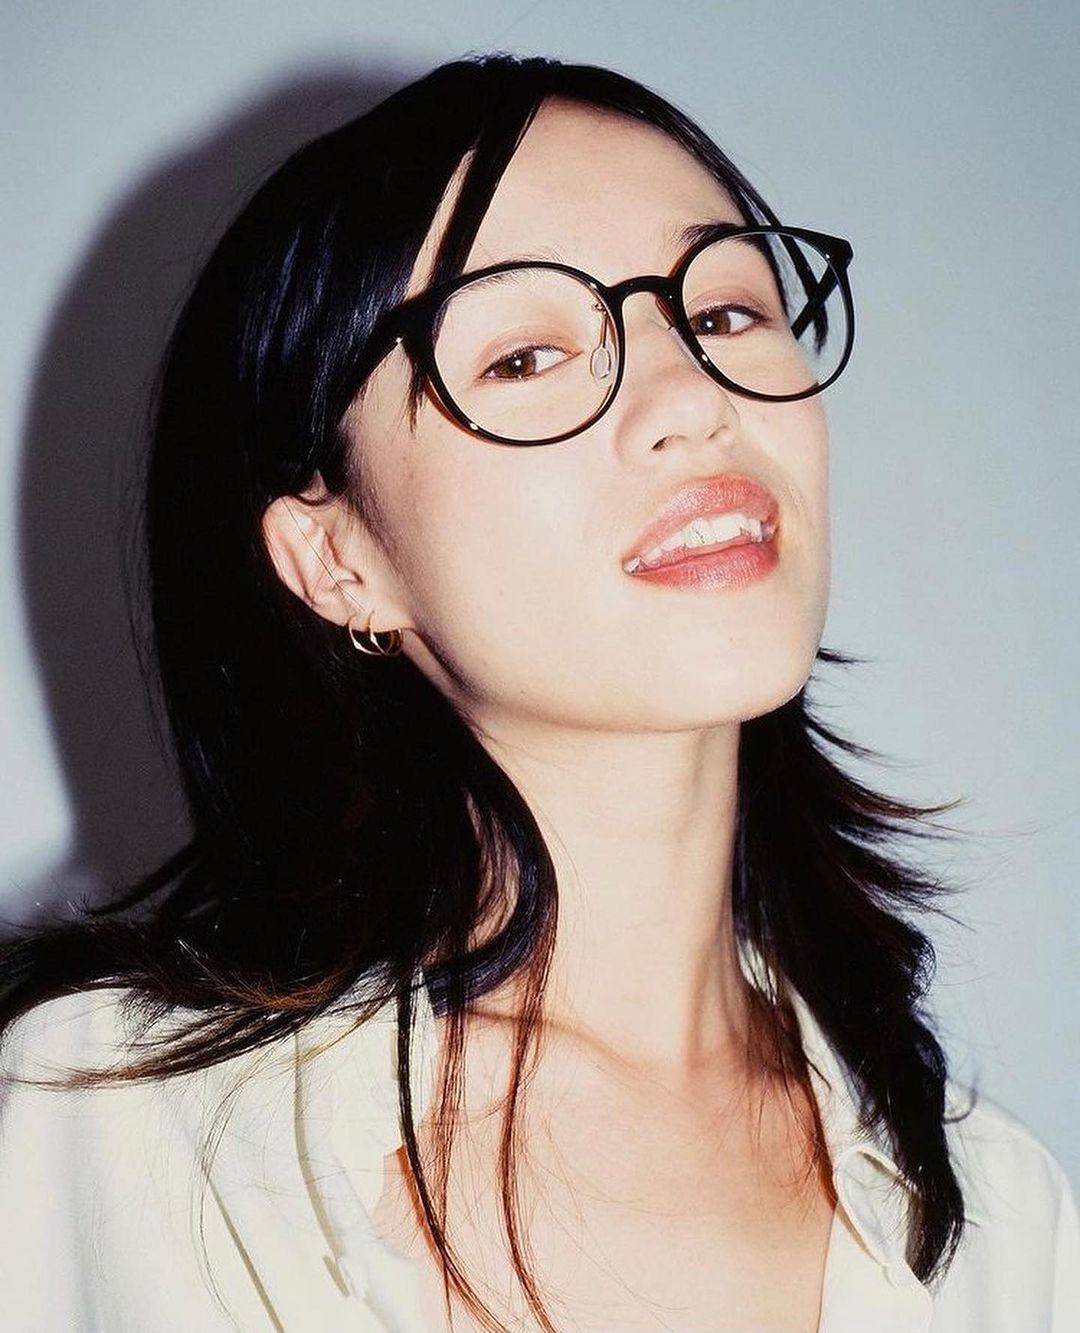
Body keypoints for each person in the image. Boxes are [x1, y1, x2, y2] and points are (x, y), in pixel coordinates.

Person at [0, 54, 1075, 1333]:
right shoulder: (119, 1121)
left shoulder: (1003, 1218)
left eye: (727, 311)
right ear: (337, 559)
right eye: (524, 355)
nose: (694, 399)